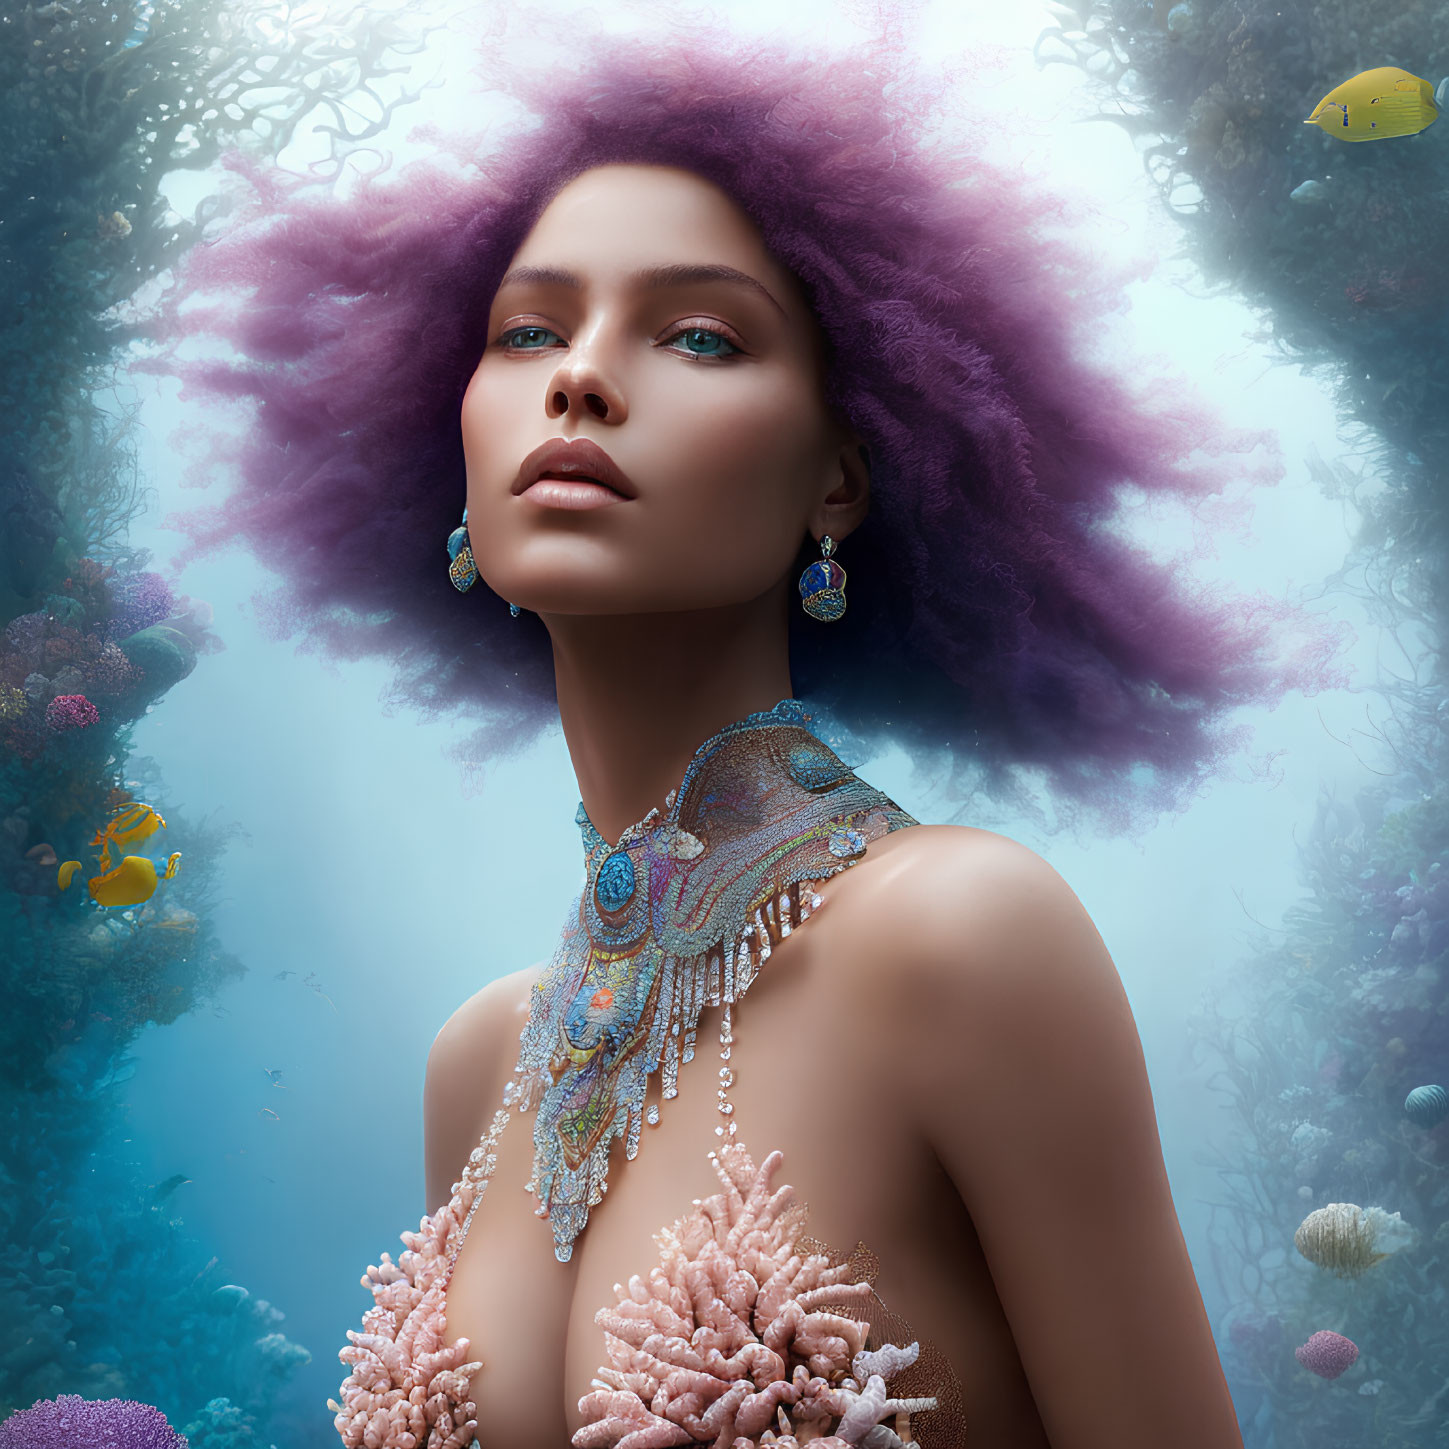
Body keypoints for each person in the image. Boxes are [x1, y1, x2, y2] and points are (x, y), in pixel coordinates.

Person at [141, 19, 1340, 1448]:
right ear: (449, 449)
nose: (577, 379)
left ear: (838, 479)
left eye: (700, 334)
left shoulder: (960, 936)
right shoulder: (480, 1062)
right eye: (527, 330)